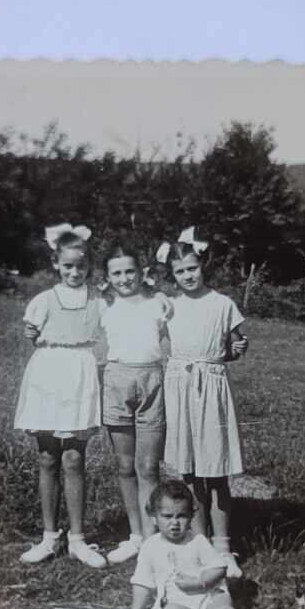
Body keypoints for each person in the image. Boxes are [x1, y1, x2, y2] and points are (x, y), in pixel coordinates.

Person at [156, 225, 248, 576]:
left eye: (192, 268)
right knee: (190, 469)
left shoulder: (223, 304)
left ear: (203, 264)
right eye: (180, 271)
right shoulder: (169, 305)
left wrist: (239, 348)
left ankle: (224, 547)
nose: (187, 275)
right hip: (179, 384)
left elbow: (237, 344)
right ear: (172, 275)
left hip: (211, 385)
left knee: (217, 468)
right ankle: (200, 541)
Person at [14, 223, 106, 568]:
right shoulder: (43, 300)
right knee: (48, 457)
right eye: (68, 266)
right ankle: (49, 537)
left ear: (89, 267)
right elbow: (32, 333)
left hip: (80, 376)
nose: (74, 272)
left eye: (81, 266)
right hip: (48, 376)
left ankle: (78, 540)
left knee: (74, 459)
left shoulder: (98, 301)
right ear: (56, 264)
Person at [131, 480, 282, 609]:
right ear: (153, 517)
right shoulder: (150, 547)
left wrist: (199, 582)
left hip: (209, 594)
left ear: (192, 516)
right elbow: (143, 582)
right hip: (178, 602)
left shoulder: (197, 541)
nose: (175, 523)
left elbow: (219, 567)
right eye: (167, 516)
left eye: (182, 516)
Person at [99, 239, 172, 564]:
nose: (125, 278)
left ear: (142, 272)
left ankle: (153, 540)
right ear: (107, 277)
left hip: (152, 382)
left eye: (130, 271)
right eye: (117, 273)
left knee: (148, 467)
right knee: (125, 466)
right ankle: (135, 535)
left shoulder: (160, 304)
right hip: (116, 382)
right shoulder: (103, 305)